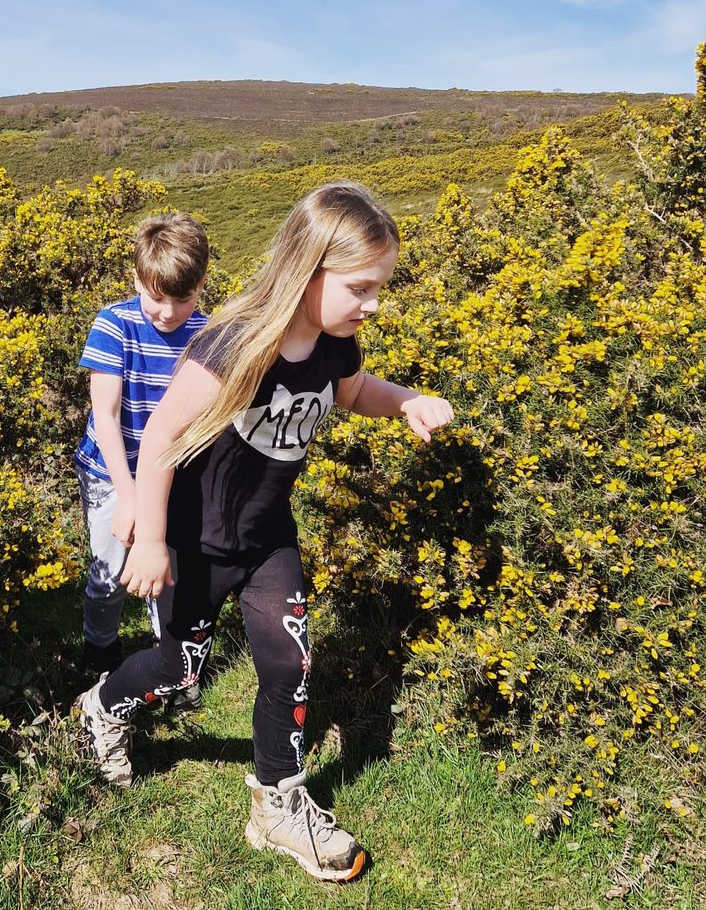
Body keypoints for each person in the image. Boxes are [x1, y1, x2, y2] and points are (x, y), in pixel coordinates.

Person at [73, 182, 453, 883]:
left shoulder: (337, 347)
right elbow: (156, 441)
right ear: (309, 270)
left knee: (290, 665)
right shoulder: (236, 341)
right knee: (180, 669)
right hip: (197, 540)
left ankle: (277, 805)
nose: (373, 303)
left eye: (380, 287)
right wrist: (152, 542)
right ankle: (100, 706)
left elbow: (356, 393)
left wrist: (404, 402)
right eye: (362, 287)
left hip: (269, 538)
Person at [73, 213, 210, 681]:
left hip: (171, 472)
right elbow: (107, 418)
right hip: (110, 471)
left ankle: (169, 662)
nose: (169, 313)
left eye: (183, 298)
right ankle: (100, 649)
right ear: (136, 278)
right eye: (156, 297)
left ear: (202, 284)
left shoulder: (208, 335)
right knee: (110, 570)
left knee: (166, 571)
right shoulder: (115, 325)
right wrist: (129, 497)